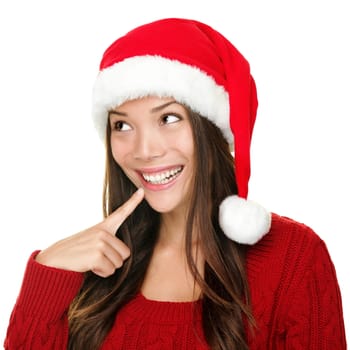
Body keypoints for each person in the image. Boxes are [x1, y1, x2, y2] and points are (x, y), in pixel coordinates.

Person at [4, 18, 347, 350]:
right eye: (122, 126)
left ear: (210, 127)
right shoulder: (92, 266)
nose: (144, 151)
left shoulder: (294, 259)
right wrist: (46, 274)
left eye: (168, 118)